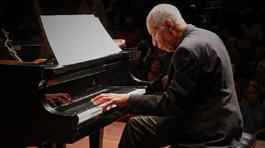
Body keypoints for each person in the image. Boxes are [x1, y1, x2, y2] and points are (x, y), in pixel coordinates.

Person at [91, 3, 243, 148]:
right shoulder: (208, 36)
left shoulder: (187, 50)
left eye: (154, 34)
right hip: (222, 120)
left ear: (169, 25)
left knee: (136, 128)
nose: (154, 43)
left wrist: (127, 99)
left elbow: (171, 104)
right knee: (135, 125)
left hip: (207, 130)